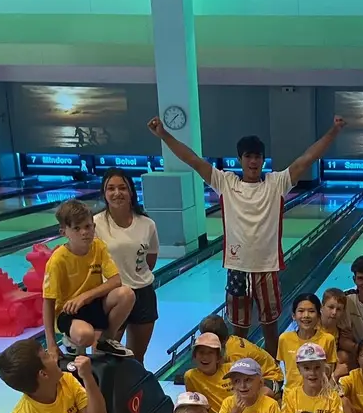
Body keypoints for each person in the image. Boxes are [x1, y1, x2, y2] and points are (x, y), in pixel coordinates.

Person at [150, 115, 347, 355]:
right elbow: (192, 159)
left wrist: (333, 131)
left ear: (263, 160)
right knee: (239, 326)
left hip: (267, 266)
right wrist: (164, 135)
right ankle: (237, 361)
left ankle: (274, 366)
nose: (253, 161)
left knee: (270, 323)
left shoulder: (277, 183)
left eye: (257, 157)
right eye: (248, 156)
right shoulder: (225, 182)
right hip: (237, 267)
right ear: (240, 159)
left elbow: (307, 159)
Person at [42, 198, 134, 357]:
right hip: (69, 312)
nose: (84, 232)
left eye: (87, 226)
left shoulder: (98, 246)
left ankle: (105, 340)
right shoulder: (57, 260)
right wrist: (51, 344)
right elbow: (48, 302)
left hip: (92, 303)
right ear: (64, 232)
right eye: (76, 228)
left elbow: (116, 280)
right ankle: (71, 340)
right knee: (86, 335)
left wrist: (85, 297)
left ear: (94, 226)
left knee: (127, 294)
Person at [93, 169, 160, 358]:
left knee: (136, 358)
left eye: (122, 188)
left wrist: (135, 274)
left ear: (131, 191)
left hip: (143, 294)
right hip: (111, 297)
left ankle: (135, 389)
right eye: (111, 188)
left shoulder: (147, 224)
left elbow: (150, 259)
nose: (117, 193)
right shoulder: (95, 224)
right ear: (104, 193)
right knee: (102, 358)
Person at [280, 341, 352, 413]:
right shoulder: (291, 396)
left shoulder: (332, 397)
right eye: (307, 368)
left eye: (317, 367)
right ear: (299, 369)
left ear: (324, 367)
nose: (312, 373)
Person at [210, 358, 283, 413]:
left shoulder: (270, 404)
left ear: (260, 383)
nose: (242, 386)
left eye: (248, 380)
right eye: (237, 381)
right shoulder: (228, 403)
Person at [198, 314, 282, 389]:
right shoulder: (231, 340)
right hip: (269, 372)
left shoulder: (234, 354)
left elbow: (236, 380)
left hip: (272, 379)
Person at [277, 293, 338, 387]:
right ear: (293, 316)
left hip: (318, 394)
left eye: (311, 311)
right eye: (301, 311)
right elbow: (287, 371)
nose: (306, 315)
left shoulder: (328, 339)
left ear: (318, 315)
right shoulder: (284, 339)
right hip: (291, 397)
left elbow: (329, 372)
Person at [186, 333, 231, 408]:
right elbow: (194, 405)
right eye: (201, 352)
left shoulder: (231, 369)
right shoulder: (191, 376)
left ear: (218, 357)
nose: (205, 357)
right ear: (195, 356)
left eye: (210, 352)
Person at [319, 287, 352, 377]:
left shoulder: (340, 328)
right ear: (322, 307)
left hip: (330, 362)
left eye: (338, 309)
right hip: (313, 361)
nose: (334, 312)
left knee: (344, 356)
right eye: (331, 307)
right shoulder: (313, 325)